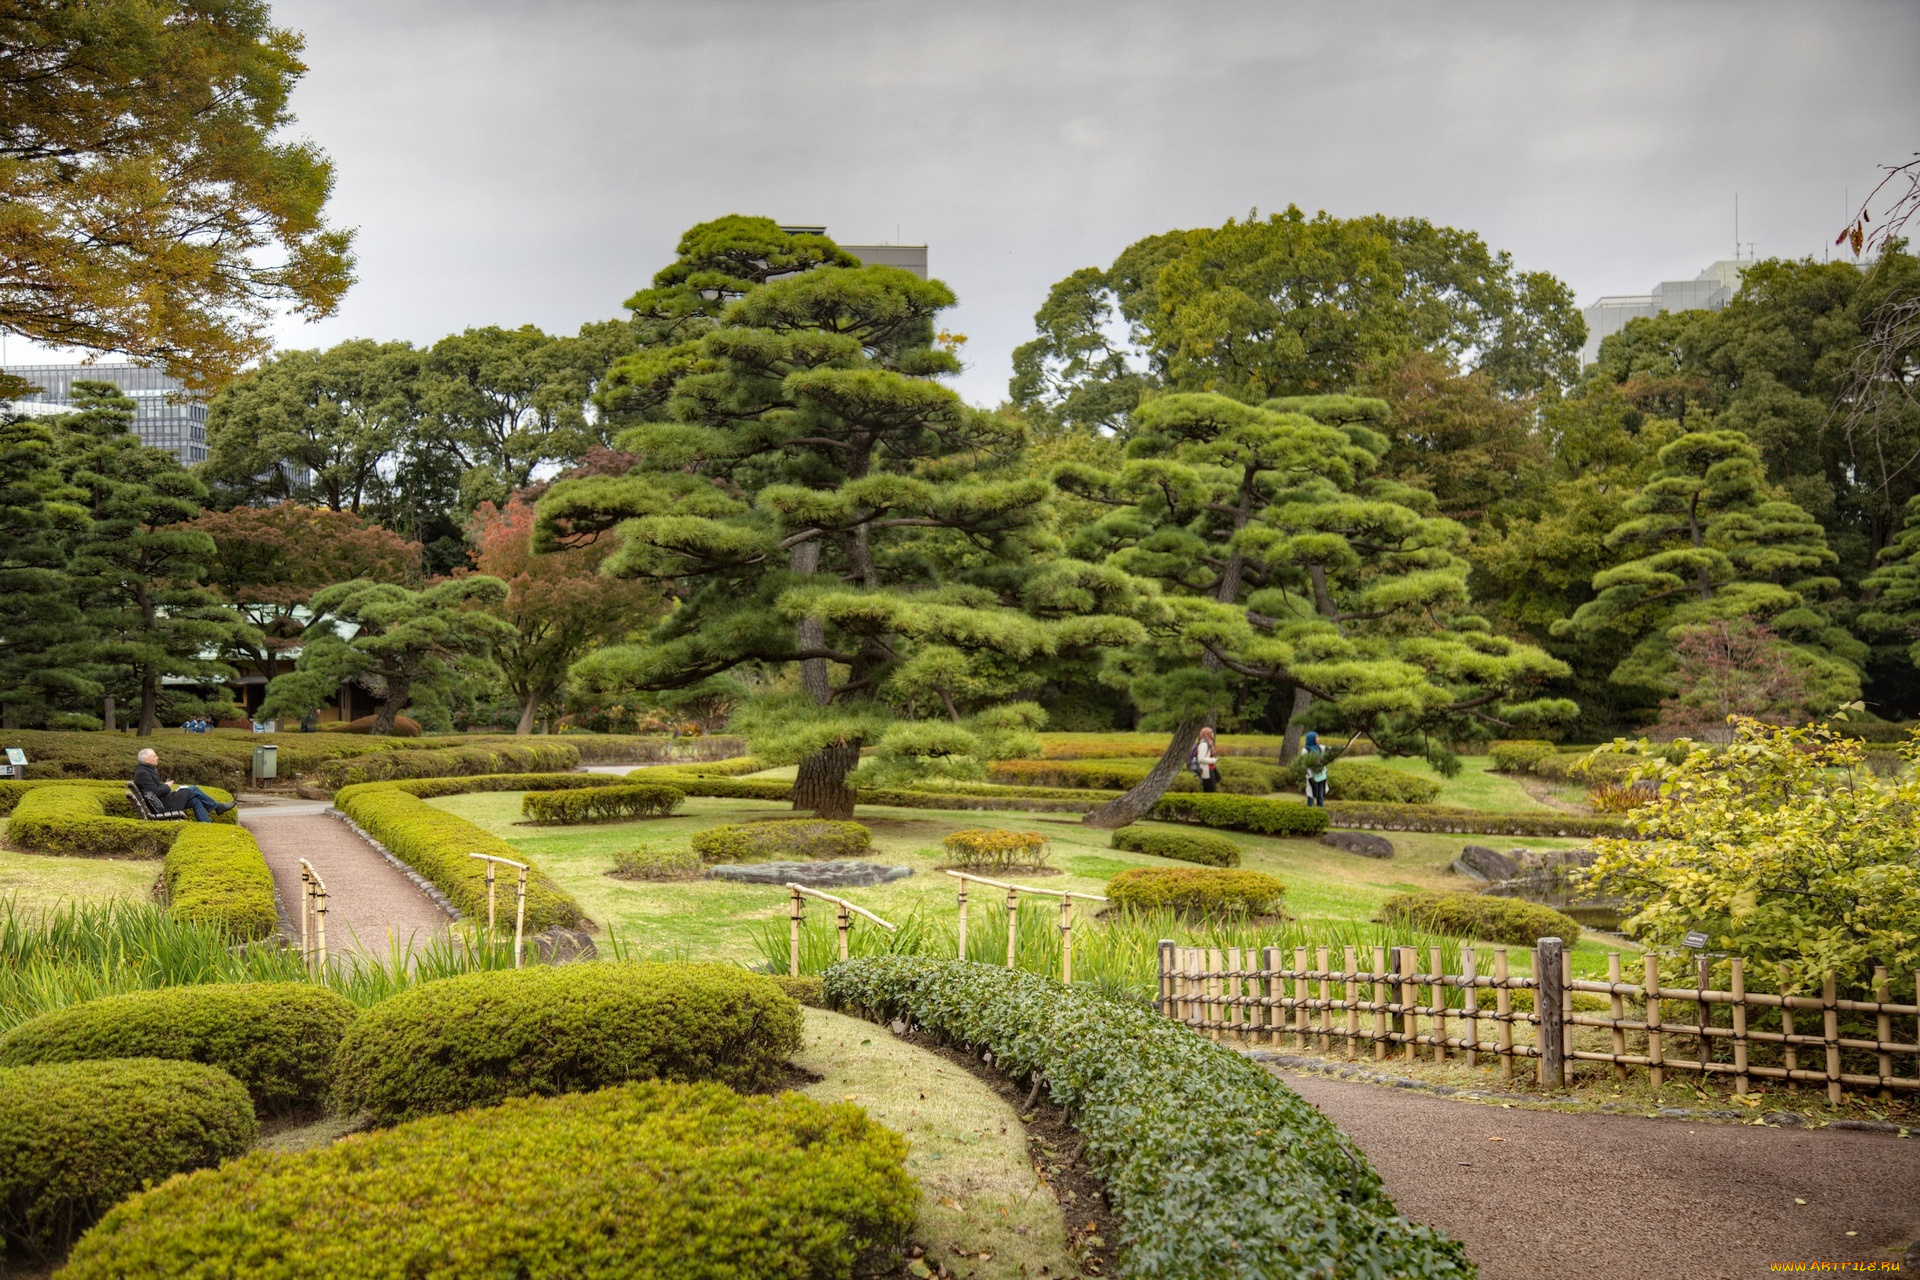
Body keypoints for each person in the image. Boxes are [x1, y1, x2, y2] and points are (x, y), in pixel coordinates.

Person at [132, 748, 234, 822]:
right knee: (193, 789)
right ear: (147, 760)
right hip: (162, 805)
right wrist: (167, 786)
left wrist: (166, 786)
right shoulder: (143, 773)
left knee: (195, 801)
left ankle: (207, 824)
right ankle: (218, 807)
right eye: (154, 756)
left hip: (162, 801)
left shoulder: (146, 770)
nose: (157, 757)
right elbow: (155, 792)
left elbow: (153, 789)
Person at [1300, 731, 1330, 807]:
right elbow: (1304, 763)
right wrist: (1313, 761)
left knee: (1320, 795)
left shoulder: (1320, 748)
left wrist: (1345, 746)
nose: (1318, 739)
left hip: (1321, 775)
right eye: (1316, 737)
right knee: (1311, 795)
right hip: (1311, 776)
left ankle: (1320, 810)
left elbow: (1331, 749)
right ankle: (1310, 811)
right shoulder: (1305, 750)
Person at [1192, 726, 1220, 793]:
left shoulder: (1208, 744)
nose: (1213, 734)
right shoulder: (1204, 744)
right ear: (1207, 734)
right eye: (1211, 732)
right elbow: (1200, 759)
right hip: (1206, 771)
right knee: (1210, 790)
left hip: (1210, 769)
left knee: (1212, 788)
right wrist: (1213, 760)